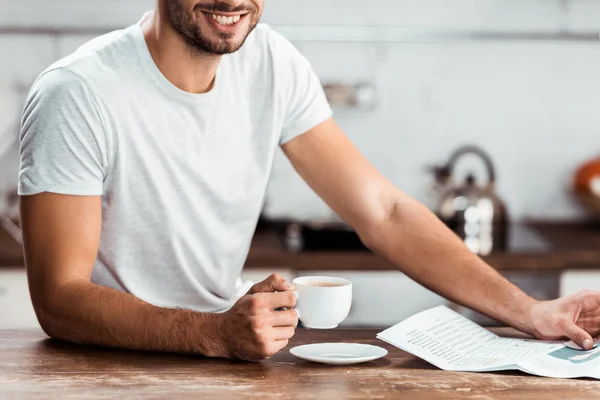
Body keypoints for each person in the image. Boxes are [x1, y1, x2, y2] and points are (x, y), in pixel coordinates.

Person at [18, 0, 600, 362]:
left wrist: (530, 312)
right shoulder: (80, 92)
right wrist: (213, 334)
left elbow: (384, 213)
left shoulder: (271, 62)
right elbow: (59, 299)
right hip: (107, 369)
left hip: (224, 364)